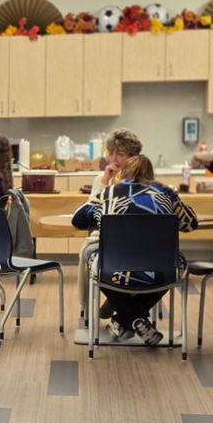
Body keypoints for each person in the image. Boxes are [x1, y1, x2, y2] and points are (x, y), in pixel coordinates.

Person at [72, 154, 197, 345]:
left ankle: (126, 318)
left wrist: (102, 196)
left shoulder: (110, 193)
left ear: (124, 172)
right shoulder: (166, 193)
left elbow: (79, 220)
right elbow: (190, 224)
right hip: (160, 270)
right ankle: (135, 317)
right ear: (151, 173)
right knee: (177, 262)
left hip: (113, 268)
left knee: (94, 261)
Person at [78, 129, 144, 320]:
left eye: (120, 154)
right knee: (88, 252)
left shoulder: (142, 182)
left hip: (138, 243)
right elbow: (90, 212)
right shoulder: (102, 178)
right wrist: (106, 182)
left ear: (133, 158)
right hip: (110, 242)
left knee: (93, 254)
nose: (114, 159)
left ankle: (120, 307)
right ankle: (127, 311)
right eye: (111, 153)